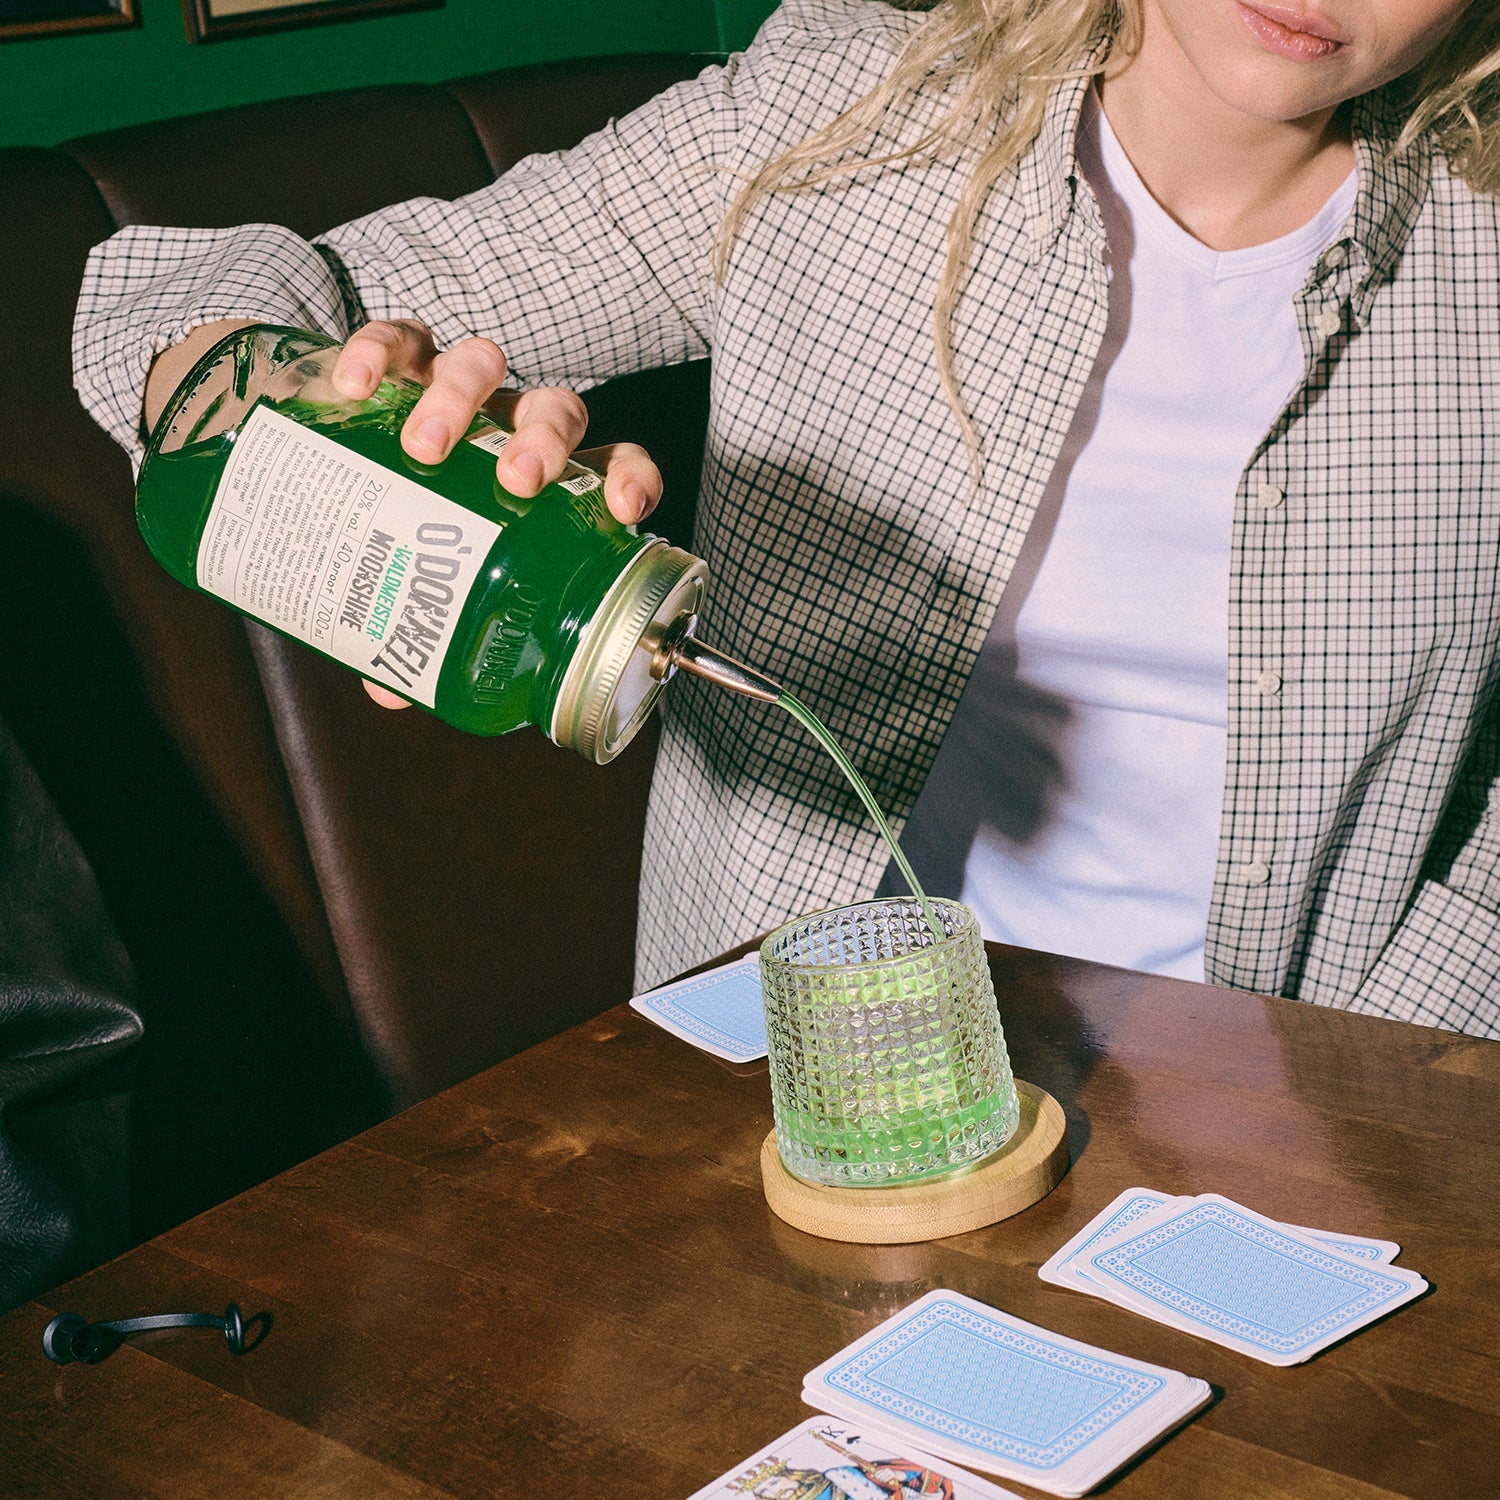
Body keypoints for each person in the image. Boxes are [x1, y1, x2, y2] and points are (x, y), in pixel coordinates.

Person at [74, 0, 1500, 1036]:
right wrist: (316, 406)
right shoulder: (839, 120)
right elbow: (169, 304)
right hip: (787, 1080)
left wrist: (1374, 1078)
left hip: (1312, 1089)